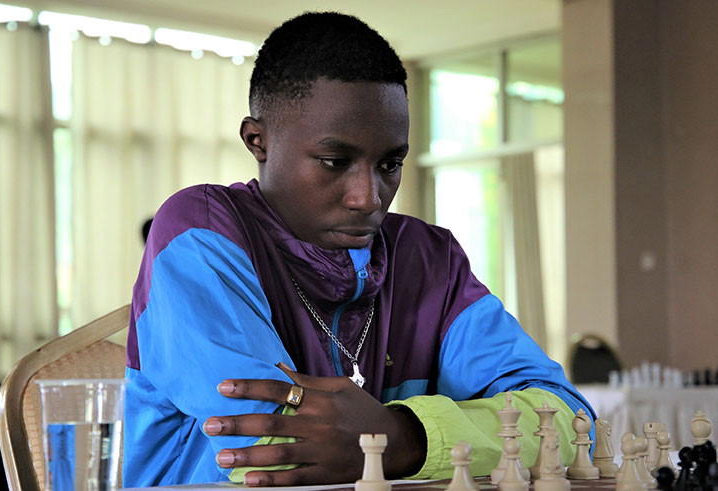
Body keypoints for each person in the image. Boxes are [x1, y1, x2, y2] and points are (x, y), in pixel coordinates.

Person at [123, 11, 594, 488]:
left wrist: (404, 435)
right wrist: (435, 437)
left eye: (391, 163)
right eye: (334, 161)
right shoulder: (200, 231)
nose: (368, 197)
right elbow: (270, 455)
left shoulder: (429, 260)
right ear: (257, 140)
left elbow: (570, 421)